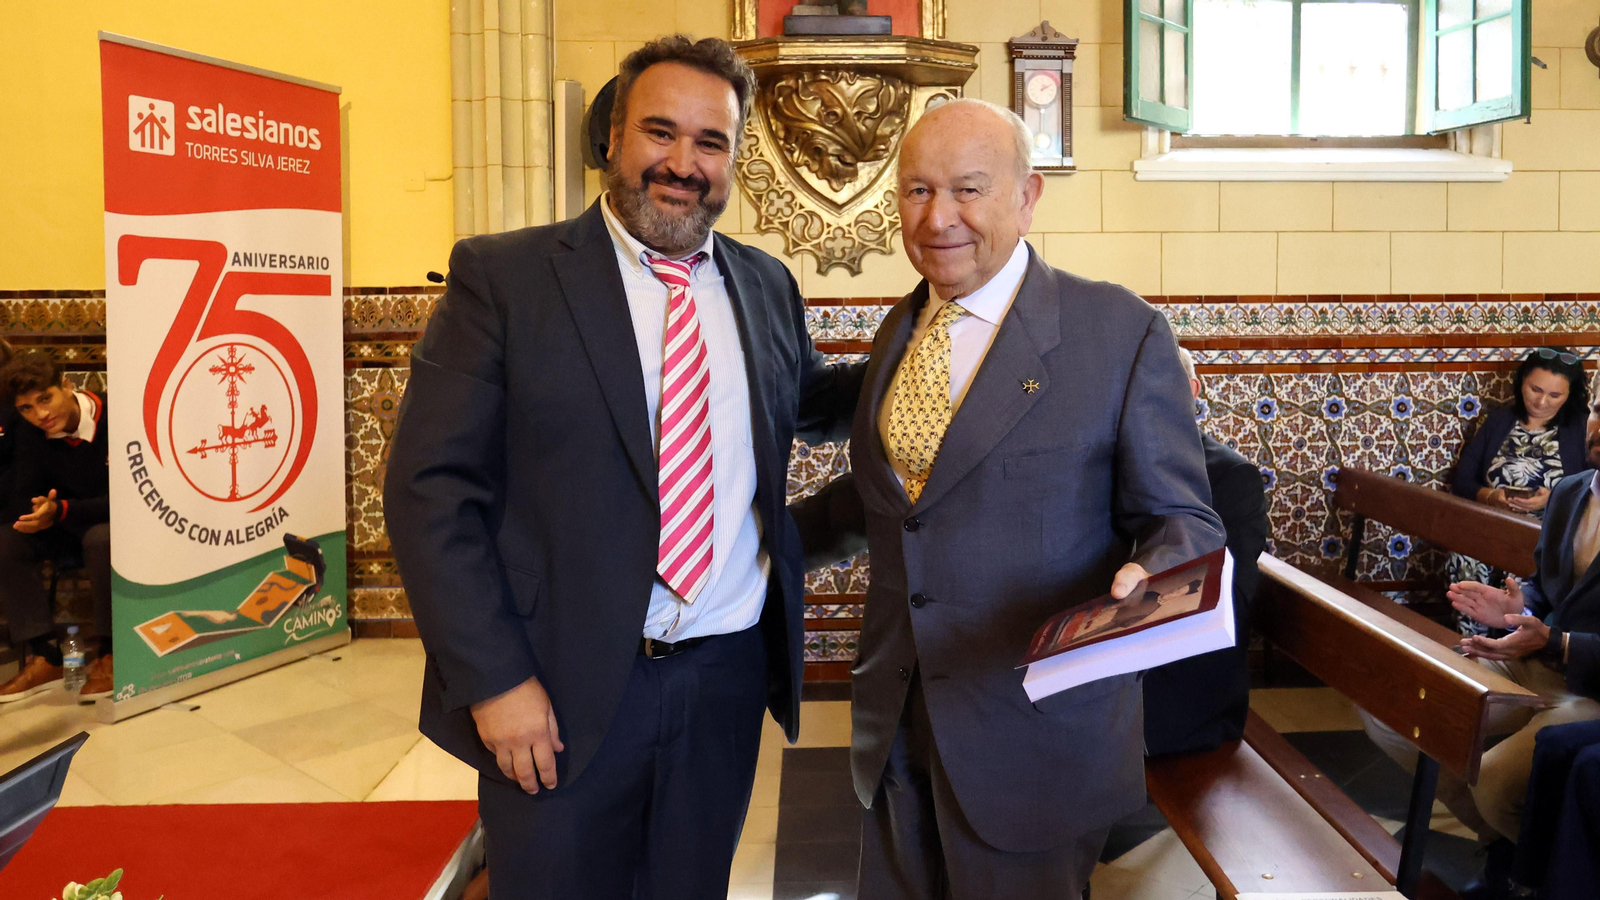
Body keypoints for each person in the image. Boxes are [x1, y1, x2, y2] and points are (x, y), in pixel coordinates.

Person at [382, 34, 864, 900]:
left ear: (734, 161)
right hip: (555, 684)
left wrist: (944, 335)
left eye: (711, 142)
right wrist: (493, 680)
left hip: (721, 673)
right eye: (660, 132)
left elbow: (814, 401)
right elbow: (429, 491)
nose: (683, 163)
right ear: (613, 138)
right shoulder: (507, 278)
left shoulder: (764, 285)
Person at [839, 98, 1223, 898]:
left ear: (1028, 194)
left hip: (1033, 737)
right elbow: (904, 505)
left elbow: (1183, 519)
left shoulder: (1118, 330)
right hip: (897, 726)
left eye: (968, 189)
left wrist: (1149, 578)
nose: (938, 217)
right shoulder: (901, 328)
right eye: (915, 190)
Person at [1362, 373, 1600, 899]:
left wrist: (1557, 642)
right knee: (1395, 710)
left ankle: (1555, 874)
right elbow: (1546, 587)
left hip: (1594, 688)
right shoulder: (1570, 491)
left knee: (1494, 780)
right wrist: (1519, 609)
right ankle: (1514, 851)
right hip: (1536, 657)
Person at [1143, 347, 1271, 757]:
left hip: (1191, 686)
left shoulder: (1230, 478)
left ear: (1192, 391)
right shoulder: (1113, 465)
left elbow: (1224, 606)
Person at [1450, 347, 1592, 636]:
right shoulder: (1501, 421)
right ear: (1521, 382)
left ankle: (1509, 645)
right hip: (1492, 523)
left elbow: (1591, 488)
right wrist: (1492, 497)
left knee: (1523, 574)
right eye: (1535, 389)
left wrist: (1553, 499)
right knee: (1463, 557)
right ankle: (1470, 643)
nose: (1541, 401)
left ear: (1570, 396)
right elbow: (1463, 481)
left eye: (1555, 395)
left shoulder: (1581, 429)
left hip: (1547, 532)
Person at [0, 354, 114, 703]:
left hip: (108, 520)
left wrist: (61, 509)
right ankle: (45, 654)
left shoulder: (113, 415)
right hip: (62, 520)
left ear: (67, 386)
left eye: (45, 399)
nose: (41, 415)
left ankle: (110, 651)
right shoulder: (33, 432)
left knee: (100, 540)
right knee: (8, 539)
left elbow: (127, 496)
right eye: (27, 409)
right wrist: (36, 513)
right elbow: (26, 489)